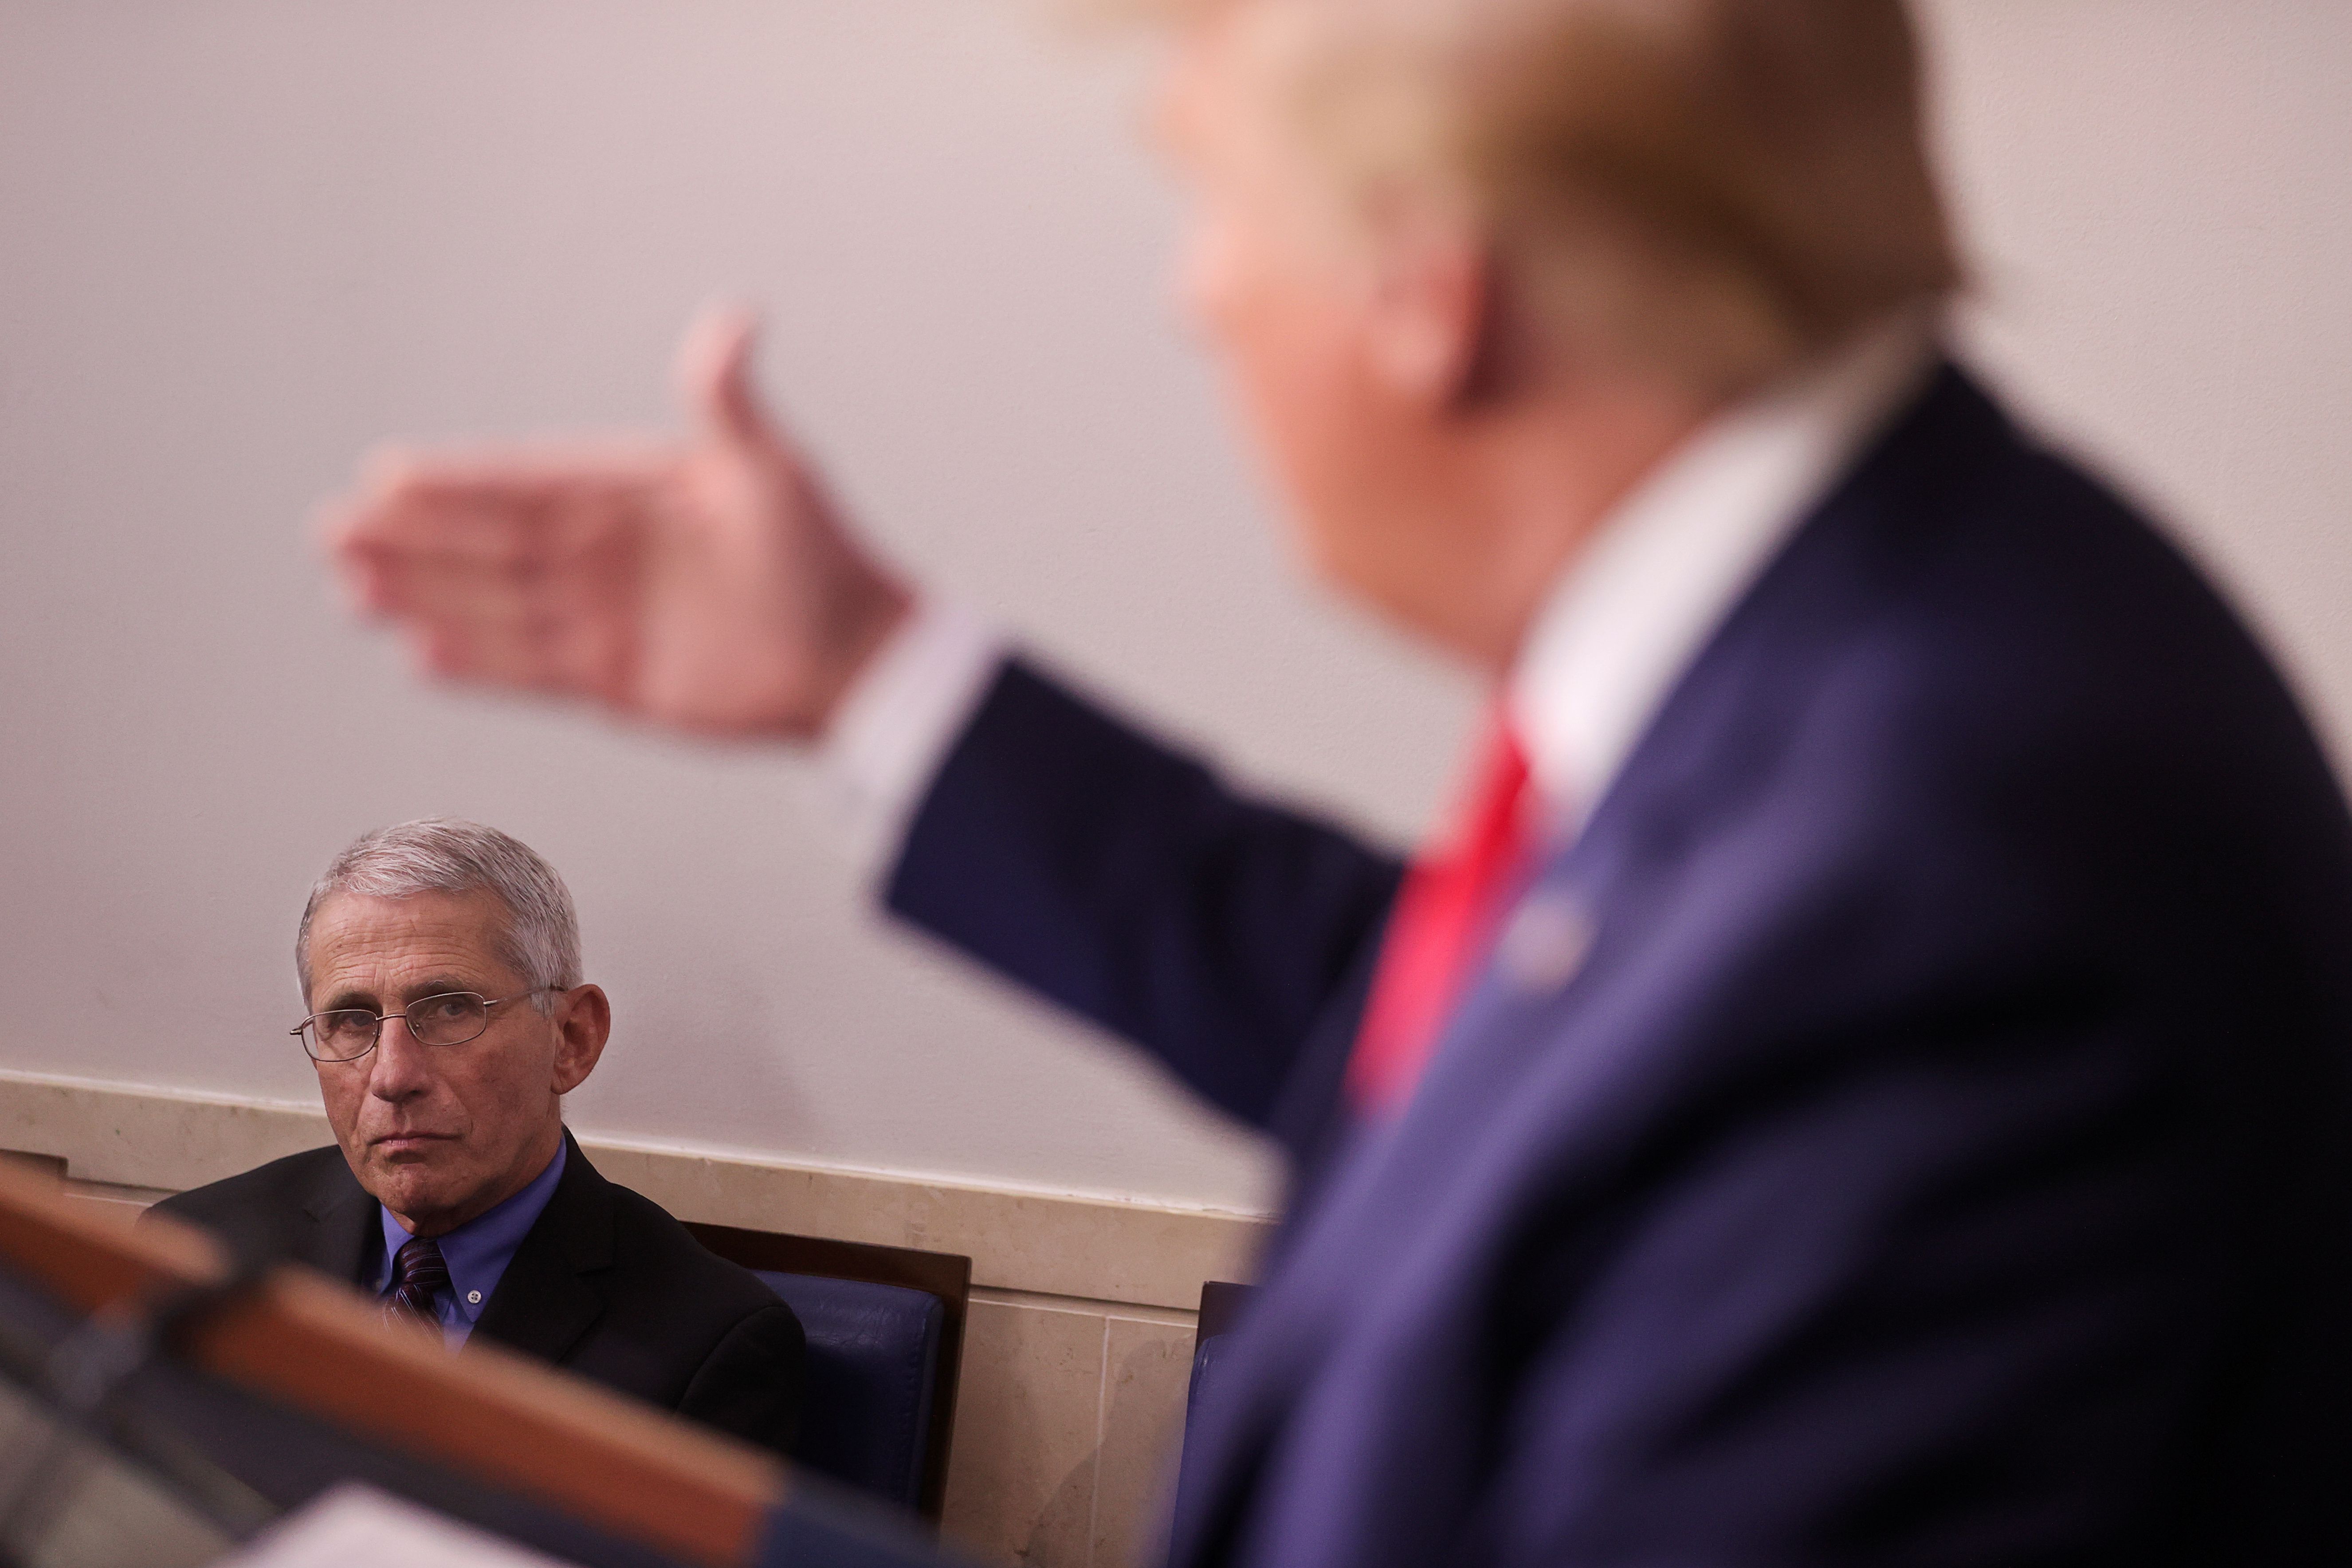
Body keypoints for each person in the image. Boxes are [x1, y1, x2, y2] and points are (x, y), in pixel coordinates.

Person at [318, 0, 2352, 1563]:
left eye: (1208, 201)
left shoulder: (1963, 857)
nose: (1189, 290)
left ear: (1424, 284)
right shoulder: (1886, 637)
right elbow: (1479, 1032)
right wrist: (865, 675)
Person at [152, 819, 806, 1460]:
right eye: (351, 1021)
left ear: (571, 1040)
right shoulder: (194, 1250)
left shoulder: (708, 1347)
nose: (392, 1077)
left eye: (451, 1008)